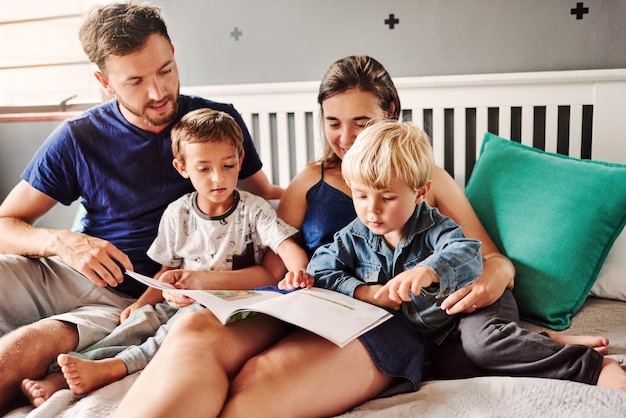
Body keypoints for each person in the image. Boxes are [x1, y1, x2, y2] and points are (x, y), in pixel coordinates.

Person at [114, 56, 625, 418]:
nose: (347, 138)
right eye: (334, 123)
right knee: (192, 333)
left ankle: (552, 347)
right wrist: (198, 283)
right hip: (304, 298)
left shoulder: (426, 179)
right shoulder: (307, 180)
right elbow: (271, 259)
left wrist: (493, 277)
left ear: (391, 116)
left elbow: (487, 257)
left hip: (383, 316)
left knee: (255, 388)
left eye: (362, 121)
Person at [0, 2, 283, 413]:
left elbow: (266, 201)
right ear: (104, 81)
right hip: (66, 268)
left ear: (172, 52)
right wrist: (64, 242)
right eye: (135, 81)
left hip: (131, 297)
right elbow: (6, 222)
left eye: (165, 70)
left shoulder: (215, 123)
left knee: (22, 350)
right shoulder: (78, 137)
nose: (158, 92)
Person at [21, 108, 310, 404]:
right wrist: (143, 303)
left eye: (228, 165)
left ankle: (114, 368)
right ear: (182, 168)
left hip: (224, 307)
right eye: (204, 169)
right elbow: (166, 271)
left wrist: (298, 270)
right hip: (178, 300)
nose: (217, 178)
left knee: (176, 331)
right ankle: (65, 373)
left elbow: (285, 245)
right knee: (138, 324)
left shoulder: (254, 209)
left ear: (240, 160)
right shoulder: (177, 213)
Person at [281, 120, 484, 344]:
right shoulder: (354, 236)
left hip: (451, 331)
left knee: (484, 347)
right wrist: (364, 292)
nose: (372, 209)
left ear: (420, 193)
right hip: (410, 340)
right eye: (360, 196)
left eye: (387, 198)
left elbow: (470, 253)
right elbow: (320, 269)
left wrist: (429, 271)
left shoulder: (435, 227)